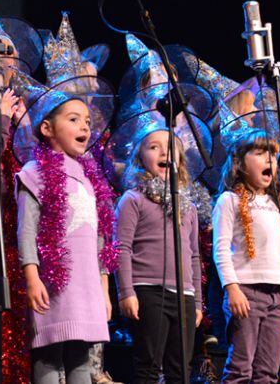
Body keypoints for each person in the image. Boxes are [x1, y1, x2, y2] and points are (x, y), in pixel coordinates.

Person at [16, 84, 118, 384]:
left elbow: (101, 241)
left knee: (81, 357)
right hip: (53, 284)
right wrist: (32, 278)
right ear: (47, 128)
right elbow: (27, 229)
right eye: (73, 119)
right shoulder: (35, 172)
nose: (84, 125)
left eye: (87, 120)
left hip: (86, 285)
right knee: (49, 353)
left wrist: (103, 289)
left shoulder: (90, 179)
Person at [212, 101, 280, 383]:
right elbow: (221, 247)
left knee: (268, 372)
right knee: (240, 369)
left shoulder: (275, 204)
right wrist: (232, 288)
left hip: (276, 295)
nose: (269, 161)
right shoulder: (230, 200)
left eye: (272, 155)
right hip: (246, 292)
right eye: (260, 153)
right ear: (240, 161)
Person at [115, 115, 203, 383]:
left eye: (170, 147)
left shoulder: (187, 206)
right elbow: (122, 248)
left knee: (181, 370)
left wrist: (197, 301)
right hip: (148, 290)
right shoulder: (133, 200)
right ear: (139, 158)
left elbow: (195, 255)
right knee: (149, 366)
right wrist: (126, 292)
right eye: (153, 147)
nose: (164, 152)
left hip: (184, 294)